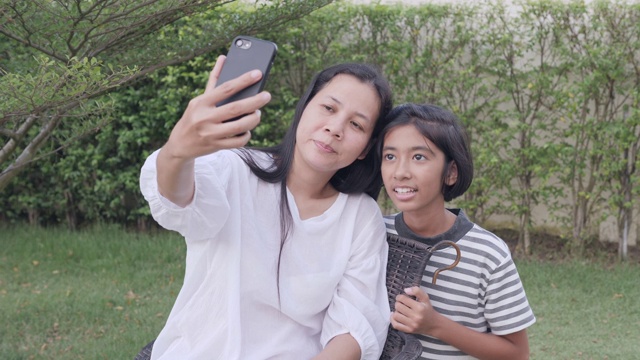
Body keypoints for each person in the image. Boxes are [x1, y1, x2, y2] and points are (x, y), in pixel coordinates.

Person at [139, 55, 394, 359]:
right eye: (328, 108)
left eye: (356, 124)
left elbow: (354, 327)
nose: (335, 128)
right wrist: (178, 152)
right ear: (304, 109)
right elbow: (177, 200)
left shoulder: (360, 217)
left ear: (366, 147)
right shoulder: (236, 170)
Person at [378, 103, 536, 360]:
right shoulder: (373, 235)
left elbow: (517, 354)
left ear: (450, 172)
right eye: (390, 156)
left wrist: (435, 325)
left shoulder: (488, 254)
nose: (400, 172)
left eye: (419, 157)